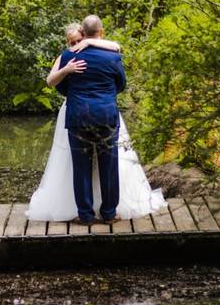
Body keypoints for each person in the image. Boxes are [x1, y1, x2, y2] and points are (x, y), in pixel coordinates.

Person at [26, 18, 166, 223]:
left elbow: (62, 88)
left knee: (81, 168)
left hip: (78, 117)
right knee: (109, 165)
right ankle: (109, 214)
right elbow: (121, 84)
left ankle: (86, 215)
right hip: (106, 115)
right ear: (101, 31)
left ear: (83, 31)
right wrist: (105, 95)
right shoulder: (112, 56)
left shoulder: (68, 55)